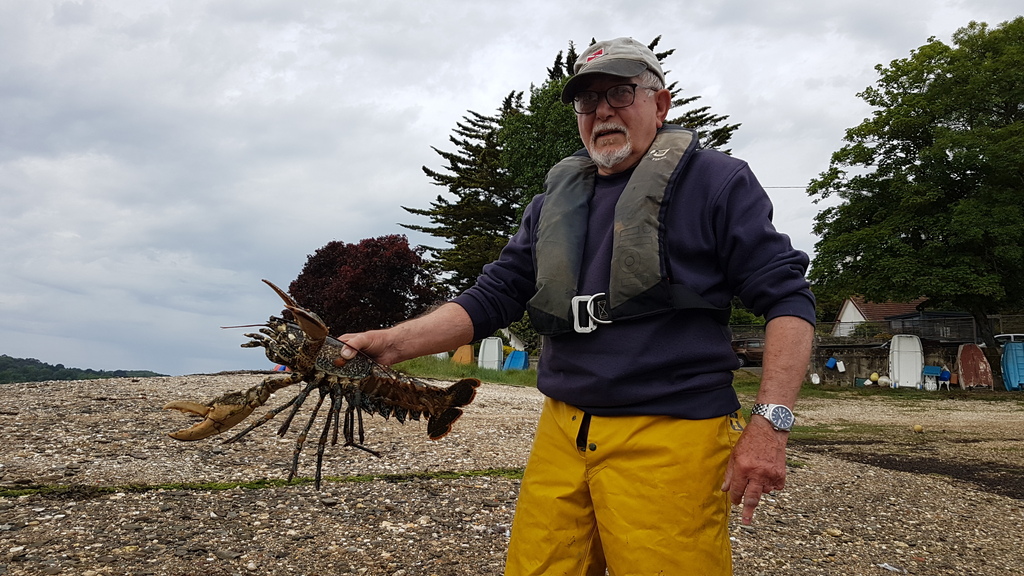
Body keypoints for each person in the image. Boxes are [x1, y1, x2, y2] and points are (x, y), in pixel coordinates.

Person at [339, 37, 815, 576]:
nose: (602, 110)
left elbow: (788, 298)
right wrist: (390, 343)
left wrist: (770, 425)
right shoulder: (551, 204)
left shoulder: (718, 182)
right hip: (562, 431)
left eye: (620, 93)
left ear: (660, 104)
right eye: (588, 100)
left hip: (672, 432)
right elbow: (493, 295)